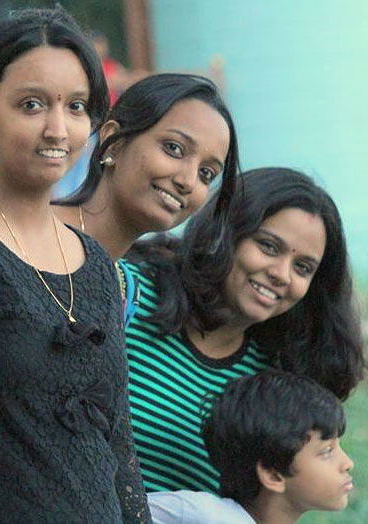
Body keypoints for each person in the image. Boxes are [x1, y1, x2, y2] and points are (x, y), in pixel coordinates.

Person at [0, 7, 150, 522]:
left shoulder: (95, 264)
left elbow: (118, 444)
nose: (57, 128)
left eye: (76, 106)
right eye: (31, 104)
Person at [123, 167, 364, 494]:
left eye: (303, 268)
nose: (282, 274)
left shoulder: (273, 385)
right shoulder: (130, 295)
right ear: (225, 232)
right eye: (269, 246)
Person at [54, 72, 239, 262]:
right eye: (174, 148)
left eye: (206, 173)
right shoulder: (38, 238)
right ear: (113, 141)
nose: (188, 182)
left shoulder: (130, 277)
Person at [148, 370, 354, 523]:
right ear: (273, 475)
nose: (347, 463)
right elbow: (128, 507)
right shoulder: (204, 514)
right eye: (327, 451)